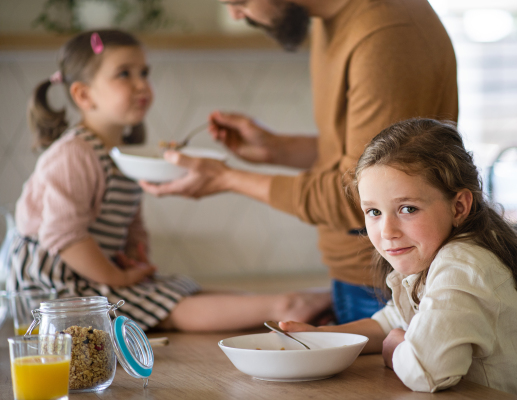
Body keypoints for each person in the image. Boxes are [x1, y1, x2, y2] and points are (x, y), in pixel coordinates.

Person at [140, 0, 459, 324]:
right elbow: (363, 159)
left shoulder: (387, 33)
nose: (236, 14)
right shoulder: (329, 18)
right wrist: (276, 148)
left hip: (386, 282)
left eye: (240, 2)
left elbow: (356, 195)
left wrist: (226, 178)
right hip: (361, 273)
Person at [7, 29, 330, 332]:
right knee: (165, 307)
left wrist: (135, 252)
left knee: (176, 288)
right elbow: (64, 236)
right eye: (124, 74)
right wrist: (117, 278)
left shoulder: (124, 153)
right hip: (53, 284)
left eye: (144, 73)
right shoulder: (74, 153)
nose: (141, 84)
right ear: (83, 95)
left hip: (94, 269)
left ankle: (284, 303)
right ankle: (285, 305)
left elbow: (128, 217)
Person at [278, 119, 517, 399]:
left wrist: (397, 346)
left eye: (408, 209)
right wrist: (323, 336)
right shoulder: (431, 258)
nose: (387, 231)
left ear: (458, 207)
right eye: (374, 212)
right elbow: (393, 319)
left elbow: (427, 371)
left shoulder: (462, 264)